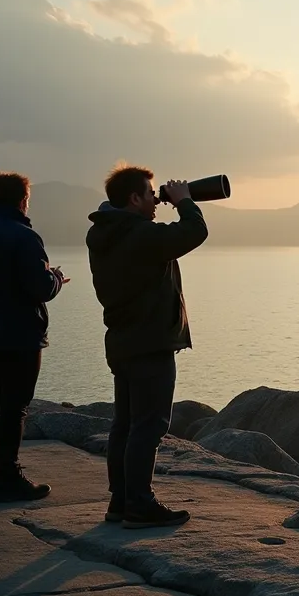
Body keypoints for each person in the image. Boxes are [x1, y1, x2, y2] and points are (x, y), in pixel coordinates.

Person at [86, 165, 208, 529]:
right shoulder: (138, 234)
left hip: (123, 341)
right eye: (150, 194)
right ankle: (139, 503)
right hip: (150, 342)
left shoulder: (105, 233)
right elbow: (194, 231)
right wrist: (185, 201)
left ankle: (120, 501)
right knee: (149, 425)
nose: (156, 200)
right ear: (134, 198)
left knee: (125, 425)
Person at [0, 172, 69, 502]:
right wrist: (56, 279)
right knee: (14, 407)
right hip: (20, 333)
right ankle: (9, 476)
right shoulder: (25, 236)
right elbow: (41, 288)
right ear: (23, 200)